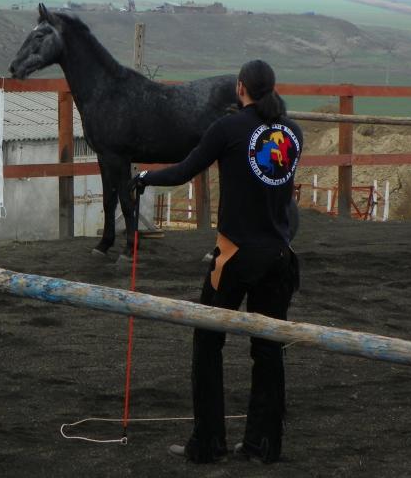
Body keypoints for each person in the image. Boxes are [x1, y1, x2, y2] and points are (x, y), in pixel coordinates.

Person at [128, 59, 302, 464]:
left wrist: (143, 179)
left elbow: (184, 171)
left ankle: (208, 442)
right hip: (279, 256)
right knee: (269, 349)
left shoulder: (227, 128)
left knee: (208, 341)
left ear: (241, 88)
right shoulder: (292, 132)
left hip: (236, 256)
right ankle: (264, 444)